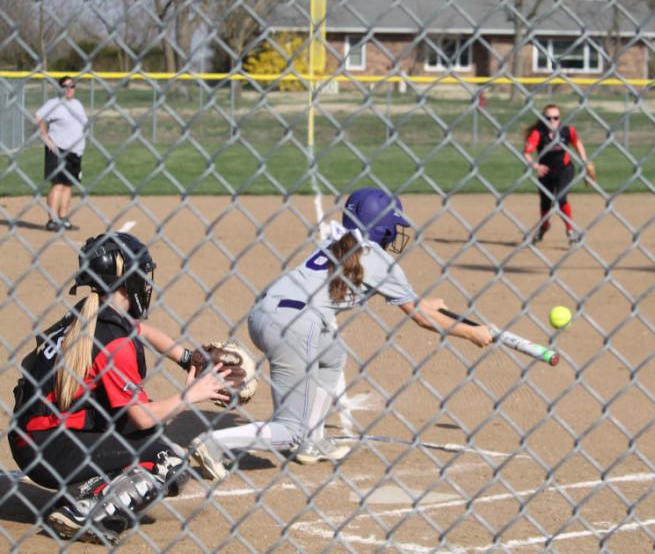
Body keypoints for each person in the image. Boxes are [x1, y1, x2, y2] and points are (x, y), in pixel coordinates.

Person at [189, 188, 493, 480]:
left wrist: (425, 303)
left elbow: (413, 305)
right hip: (296, 325)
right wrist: (472, 333)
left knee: (332, 354)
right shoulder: (377, 258)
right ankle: (214, 442)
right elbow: (421, 319)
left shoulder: (338, 242)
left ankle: (312, 441)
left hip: (265, 314)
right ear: (383, 226)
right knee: (289, 429)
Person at [8, 232, 231, 544]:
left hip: (32, 437)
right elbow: (142, 417)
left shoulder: (87, 312)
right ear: (128, 281)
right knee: (169, 461)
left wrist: (186, 357)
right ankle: (84, 515)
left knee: (143, 432)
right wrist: (192, 395)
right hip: (49, 446)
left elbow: (142, 331)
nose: (147, 283)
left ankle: (84, 493)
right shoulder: (115, 343)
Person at [522, 104, 591, 246]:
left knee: (560, 198)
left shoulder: (567, 130)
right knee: (545, 202)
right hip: (545, 172)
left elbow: (577, 143)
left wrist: (584, 161)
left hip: (565, 170)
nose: (552, 121)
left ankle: (570, 231)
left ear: (560, 119)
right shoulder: (538, 133)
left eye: (556, 118)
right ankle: (544, 226)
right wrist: (536, 166)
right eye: (548, 118)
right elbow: (526, 153)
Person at [35, 76, 88, 231]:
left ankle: (63, 218)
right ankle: (52, 220)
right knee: (57, 184)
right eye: (66, 86)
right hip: (58, 149)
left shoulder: (77, 104)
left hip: (75, 151)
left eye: (72, 86)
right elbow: (38, 117)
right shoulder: (54, 104)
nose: (69, 89)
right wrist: (45, 138)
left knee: (68, 184)